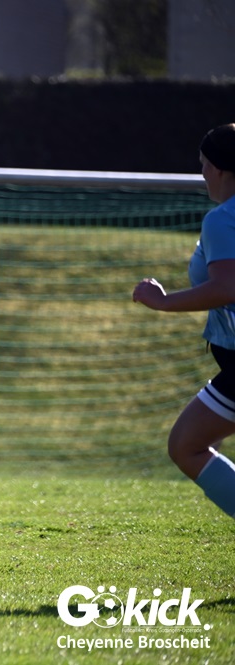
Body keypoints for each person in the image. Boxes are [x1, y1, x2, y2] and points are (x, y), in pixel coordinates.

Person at [133, 122, 235, 517]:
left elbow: (227, 287)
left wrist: (162, 302)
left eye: (204, 164)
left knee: (186, 446)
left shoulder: (223, 219)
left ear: (220, 169)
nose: (202, 173)